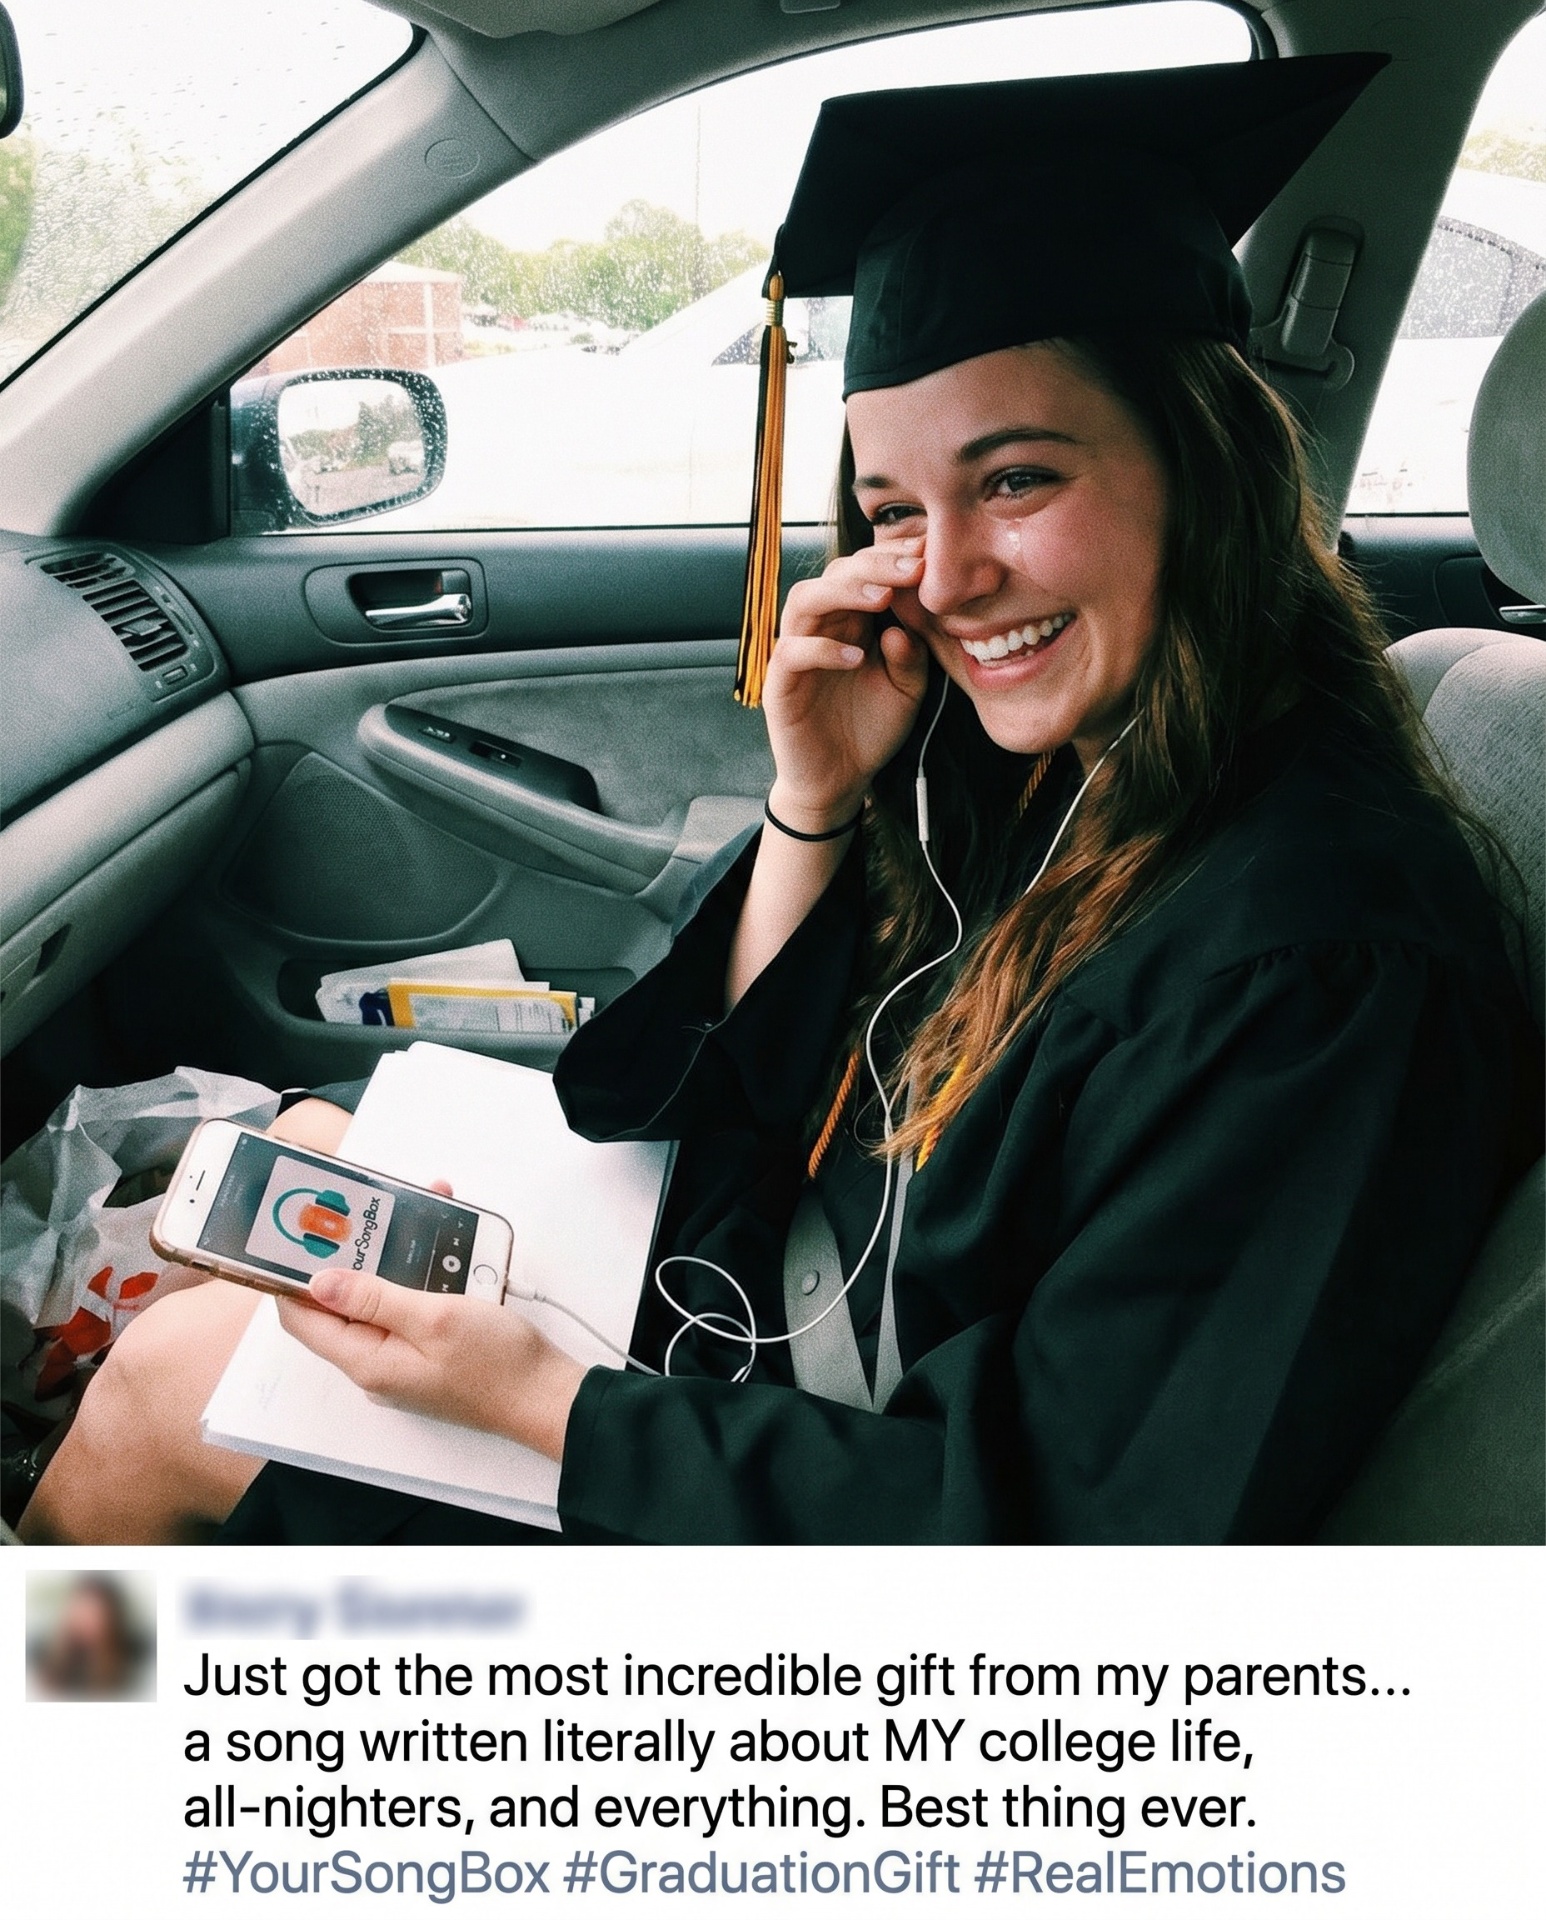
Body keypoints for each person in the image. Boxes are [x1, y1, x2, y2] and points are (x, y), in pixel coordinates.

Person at [20, 56, 1539, 1547]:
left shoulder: (1314, 964)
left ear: (1204, 465)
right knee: (316, 1151)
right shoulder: (1055, 774)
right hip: (773, 1328)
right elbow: (731, 1091)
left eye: (1015, 480)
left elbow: (1082, 1532)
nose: (943, 579)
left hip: (869, 1561)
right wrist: (815, 798)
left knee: (173, 1385)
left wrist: (543, 1401)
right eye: (892, 512)